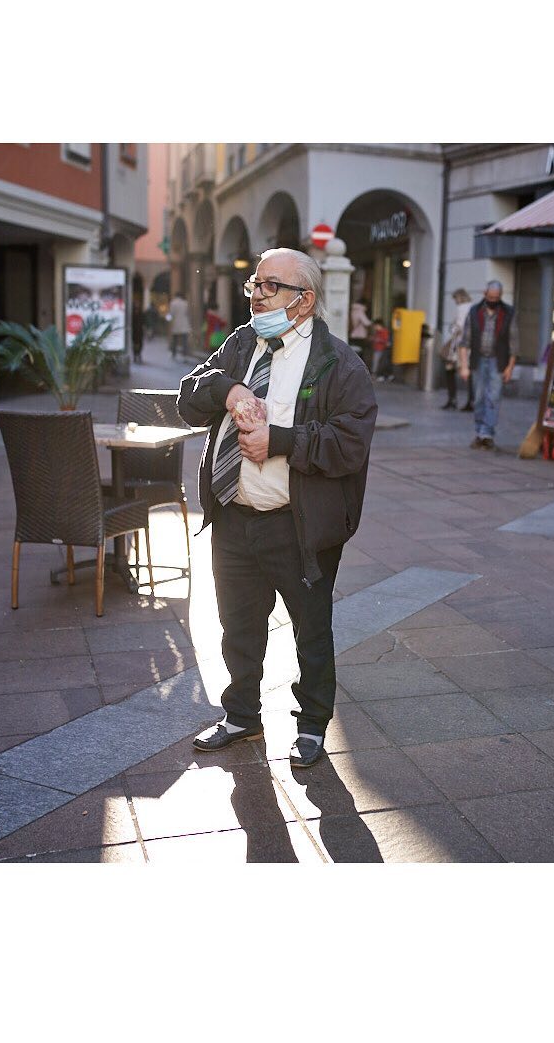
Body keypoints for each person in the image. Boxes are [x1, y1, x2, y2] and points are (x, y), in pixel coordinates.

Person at [178, 248, 378, 769]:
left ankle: (311, 726)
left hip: (299, 528)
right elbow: (187, 395)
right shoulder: (244, 342)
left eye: (270, 286)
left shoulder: (339, 363)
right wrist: (229, 389)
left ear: (303, 302)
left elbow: (350, 443)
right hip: (233, 519)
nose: (256, 294)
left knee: (311, 631)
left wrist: (281, 441)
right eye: (255, 284)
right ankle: (242, 715)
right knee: (238, 627)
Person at [458, 280, 518, 450]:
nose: (493, 299)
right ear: (485, 294)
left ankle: (487, 434)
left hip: (498, 362)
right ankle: (479, 432)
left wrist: (510, 367)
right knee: (478, 399)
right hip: (477, 361)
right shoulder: (474, 311)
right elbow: (465, 341)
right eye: (491, 296)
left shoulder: (508, 313)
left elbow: (514, 342)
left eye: (497, 297)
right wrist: (464, 366)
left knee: (493, 398)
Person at [440, 288, 474, 410]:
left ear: (459, 297)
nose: (455, 301)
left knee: (450, 369)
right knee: (469, 373)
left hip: (458, 346)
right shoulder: (473, 307)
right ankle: (471, 400)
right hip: (471, 345)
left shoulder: (461, 308)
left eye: (455, 299)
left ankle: (452, 399)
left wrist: (452, 329)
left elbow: (459, 327)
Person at [167, 290, 191, 360]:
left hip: (176, 324)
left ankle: (174, 354)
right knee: (184, 341)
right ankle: (184, 356)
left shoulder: (173, 303)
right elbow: (187, 313)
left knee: (175, 340)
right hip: (184, 324)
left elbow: (171, 314)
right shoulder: (185, 303)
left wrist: (168, 319)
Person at [348, 297, 372, 364]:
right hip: (359, 335)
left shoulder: (353, 310)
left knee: (355, 351)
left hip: (353, 334)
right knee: (361, 353)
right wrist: (373, 323)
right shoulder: (360, 310)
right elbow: (366, 322)